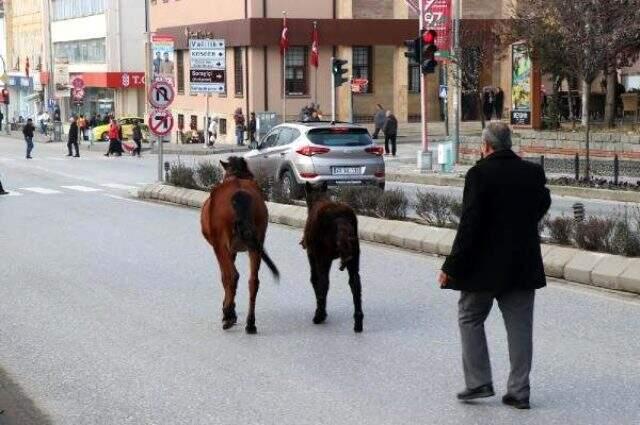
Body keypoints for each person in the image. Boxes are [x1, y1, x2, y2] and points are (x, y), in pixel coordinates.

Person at [438, 122, 551, 411]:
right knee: (520, 329)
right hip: (521, 266)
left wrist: (451, 266)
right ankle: (519, 392)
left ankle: (478, 382)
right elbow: (542, 204)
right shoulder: (532, 173)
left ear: (486, 146)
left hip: (482, 269)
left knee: (469, 317)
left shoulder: (479, 174)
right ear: (508, 144)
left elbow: (470, 225)